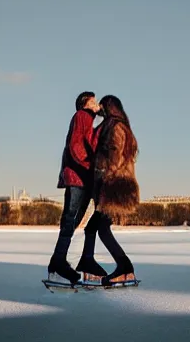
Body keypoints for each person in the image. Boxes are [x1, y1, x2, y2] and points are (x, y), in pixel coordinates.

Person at [77, 95, 140, 285]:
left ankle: (125, 267)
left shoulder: (117, 127)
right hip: (112, 186)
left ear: (110, 107)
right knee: (94, 228)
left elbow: (115, 154)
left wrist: (104, 174)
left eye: (103, 105)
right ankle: (90, 262)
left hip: (113, 187)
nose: (100, 109)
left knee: (101, 229)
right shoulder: (115, 125)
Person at [47, 91, 101, 283]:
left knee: (73, 220)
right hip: (78, 177)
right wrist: (87, 165)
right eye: (94, 102)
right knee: (70, 220)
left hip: (82, 178)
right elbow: (75, 145)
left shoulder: (88, 119)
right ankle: (58, 262)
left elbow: (90, 143)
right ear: (85, 105)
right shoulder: (82, 116)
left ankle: (57, 261)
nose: (97, 104)